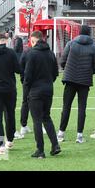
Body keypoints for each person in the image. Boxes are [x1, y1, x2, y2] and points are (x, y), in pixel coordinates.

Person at [57, 25, 95, 143]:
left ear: (79, 33)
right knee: (82, 108)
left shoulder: (71, 43)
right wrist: (88, 72)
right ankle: (79, 136)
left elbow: (63, 61)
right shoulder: (93, 48)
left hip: (70, 79)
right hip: (84, 81)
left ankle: (61, 133)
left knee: (66, 107)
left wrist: (69, 70)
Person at [23, 31, 61, 159]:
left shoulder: (32, 54)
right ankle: (55, 145)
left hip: (35, 90)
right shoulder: (50, 53)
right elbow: (56, 72)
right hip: (48, 89)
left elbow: (27, 75)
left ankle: (40, 150)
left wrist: (27, 88)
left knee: (37, 120)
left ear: (33, 41)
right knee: (46, 117)